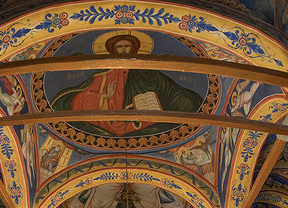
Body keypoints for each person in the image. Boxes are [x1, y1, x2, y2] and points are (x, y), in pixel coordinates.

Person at [50, 33, 203, 136]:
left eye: (127, 46)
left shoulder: (147, 70)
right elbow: (81, 99)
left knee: (188, 100)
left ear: (134, 49)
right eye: (119, 47)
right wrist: (104, 96)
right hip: (112, 115)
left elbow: (168, 88)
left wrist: (182, 97)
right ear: (113, 51)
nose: (123, 49)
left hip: (142, 113)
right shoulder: (104, 73)